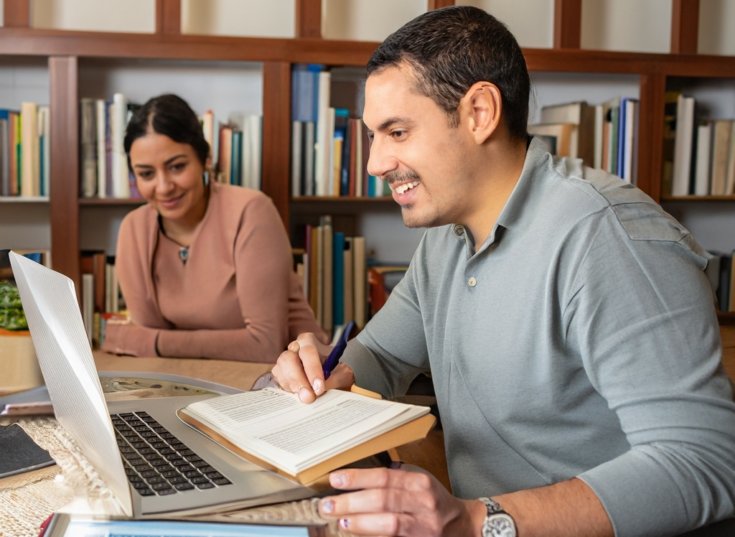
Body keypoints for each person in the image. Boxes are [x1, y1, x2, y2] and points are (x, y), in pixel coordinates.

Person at [270, 6, 735, 537]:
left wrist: (477, 521)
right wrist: (311, 374)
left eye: (396, 132)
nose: (375, 162)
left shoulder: (610, 237)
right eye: (373, 136)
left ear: (480, 112)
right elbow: (378, 357)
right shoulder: (447, 237)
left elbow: (707, 461)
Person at [102, 94, 326, 362]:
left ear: (205, 158)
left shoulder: (251, 212)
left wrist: (154, 341)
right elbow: (149, 355)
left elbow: (265, 345)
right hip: (190, 383)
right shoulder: (134, 230)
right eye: (146, 174)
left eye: (176, 167)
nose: (163, 187)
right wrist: (150, 343)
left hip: (290, 384)